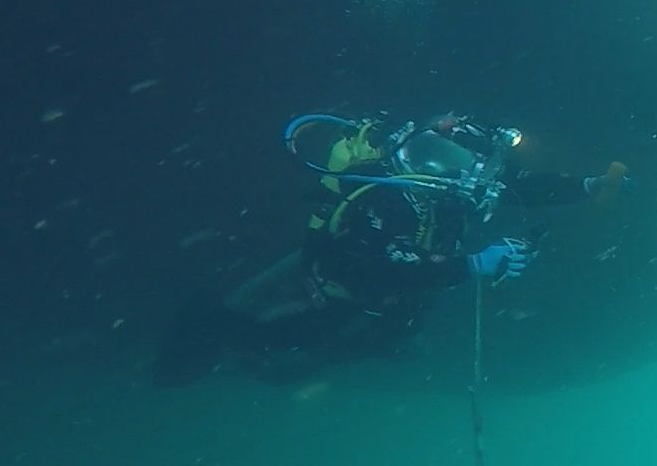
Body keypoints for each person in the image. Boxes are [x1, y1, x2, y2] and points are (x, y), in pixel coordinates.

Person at [153, 111, 632, 386]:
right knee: (286, 338)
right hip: (348, 285)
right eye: (459, 163)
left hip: (397, 297)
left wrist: (586, 185)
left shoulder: (452, 187)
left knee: (392, 332)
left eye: (477, 164)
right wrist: (475, 264)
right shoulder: (388, 196)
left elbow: (523, 188)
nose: (474, 176)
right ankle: (208, 323)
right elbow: (391, 263)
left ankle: (353, 350)